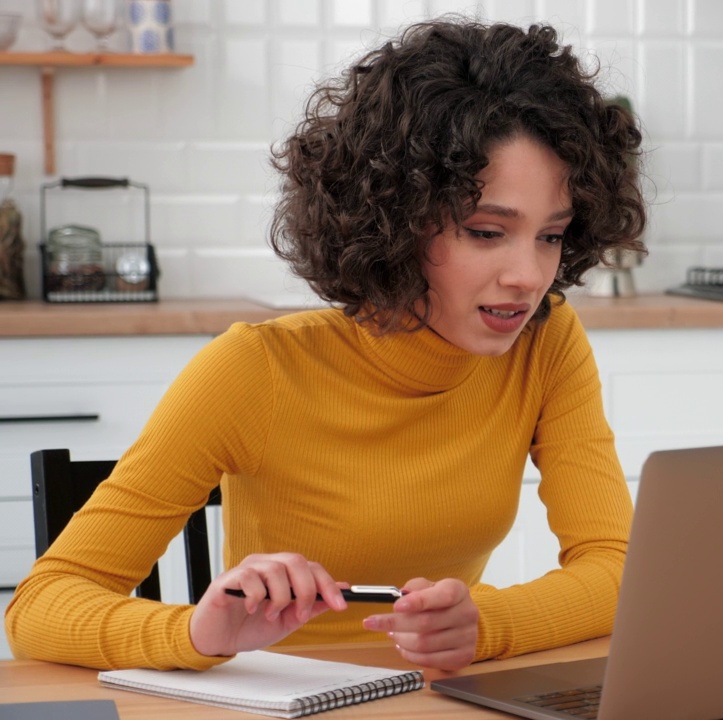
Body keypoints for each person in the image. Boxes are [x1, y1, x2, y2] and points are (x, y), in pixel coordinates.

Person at [5, 16, 645, 672]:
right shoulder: (256, 369)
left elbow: (622, 568)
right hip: (275, 703)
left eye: (551, 235)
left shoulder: (545, 342)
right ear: (395, 220)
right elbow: (41, 608)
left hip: (445, 701)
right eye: (486, 232)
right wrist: (198, 633)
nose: (529, 276)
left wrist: (491, 623)